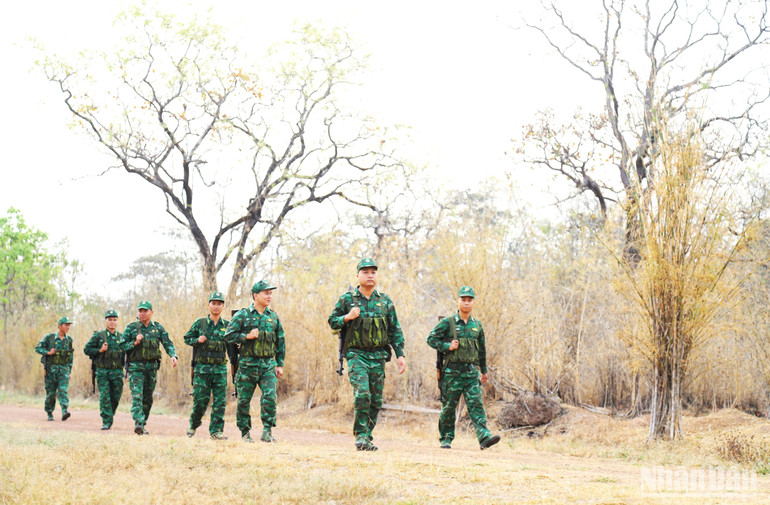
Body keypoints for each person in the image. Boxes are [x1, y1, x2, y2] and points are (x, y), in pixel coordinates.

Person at [328, 258, 407, 451]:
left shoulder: (385, 301)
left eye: (373, 272)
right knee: (362, 393)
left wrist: (400, 355)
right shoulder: (347, 299)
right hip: (356, 355)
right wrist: (347, 317)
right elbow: (332, 322)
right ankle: (361, 436)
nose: (370, 275)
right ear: (358, 276)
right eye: (365, 272)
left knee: (376, 399)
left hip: (378, 356)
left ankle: (367, 436)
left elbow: (394, 330)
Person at [427, 286, 500, 450]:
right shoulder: (448, 322)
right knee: (449, 406)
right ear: (458, 301)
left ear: (473, 302)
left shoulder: (477, 325)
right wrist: (447, 346)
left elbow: (481, 349)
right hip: (452, 372)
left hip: (471, 372)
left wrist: (484, 370)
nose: (466, 303)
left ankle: (484, 437)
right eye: (463, 299)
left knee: (476, 404)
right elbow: (431, 339)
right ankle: (445, 438)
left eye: (470, 300)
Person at [224, 281, 285, 443]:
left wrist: (279, 364)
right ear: (255, 295)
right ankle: (245, 432)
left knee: (270, 397)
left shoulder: (273, 317)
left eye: (271, 293)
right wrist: (246, 336)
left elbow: (280, 341)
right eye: (266, 293)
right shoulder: (242, 315)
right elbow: (228, 336)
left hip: (267, 365)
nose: (269, 296)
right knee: (244, 400)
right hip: (247, 365)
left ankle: (267, 431)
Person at [120, 300, 178, 435]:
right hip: (136, 368)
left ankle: (142, 424)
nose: (142, 313)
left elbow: (167, 342)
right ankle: (138, 423)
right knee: (137, 396)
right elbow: (121, 346)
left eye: (145, 311)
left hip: (151, 368)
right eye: (140, 311)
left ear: (151, 312)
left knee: (147, 398)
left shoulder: (157, 328)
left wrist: (173, 355)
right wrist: (134, 343)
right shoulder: (131, 327)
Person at [185, 291, 231, 440]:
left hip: (220, 369)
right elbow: (187, 338)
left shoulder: (228, 325)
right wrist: (197, 340)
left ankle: (216, 431)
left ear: (223, 306)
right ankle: (193, 424)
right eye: (213, 303)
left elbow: (235, 342)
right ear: (209, 305)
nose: (216, 306)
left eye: (219, 304)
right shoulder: (200, 323)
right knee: (200, 401)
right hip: (202, 369)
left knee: (220, 402)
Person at [83, 309, 125, 430]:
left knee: (116, 396)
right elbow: (86, 350)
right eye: (109, 320)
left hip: (117, 372)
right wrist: (99, 350)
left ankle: (110, 414)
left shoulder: (122, 337)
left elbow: (126, 356)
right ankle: (106, 421)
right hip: (102, 372)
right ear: (105, 321)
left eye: (114, 320)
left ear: (117, 321)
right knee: (105, 396)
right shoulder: (99, 336)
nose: (112, 322)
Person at [34, 316, 75, 421]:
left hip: (64, 371)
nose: (68, 327)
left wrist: (69, 371)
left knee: (63, 390)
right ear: (59, 326)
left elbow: (70, 357)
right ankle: (49, 412)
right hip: (51, 371)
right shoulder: (49, 338)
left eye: (69, 325)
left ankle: (64, 410)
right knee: (51, 393)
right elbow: (38, 348)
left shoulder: (69, 340)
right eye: (66, 325)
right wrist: (48, 352)